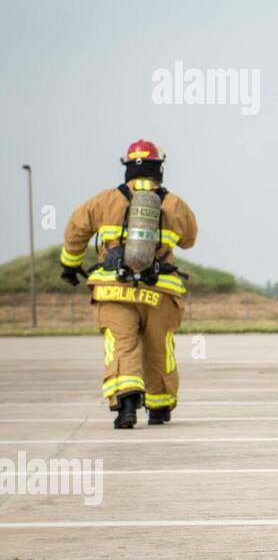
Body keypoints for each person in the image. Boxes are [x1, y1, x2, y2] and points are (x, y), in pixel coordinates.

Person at [61, 140, 198, 429]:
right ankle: (159, 408)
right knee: (159, 348)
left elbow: (76, 228)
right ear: (159, 166)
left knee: (121, 344)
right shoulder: (173, 203)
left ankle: (126, 407)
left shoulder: (104, 201)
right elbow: (190, 239)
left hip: (114, 290)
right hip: (159, 291)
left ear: (127, 168)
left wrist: (70, 264)